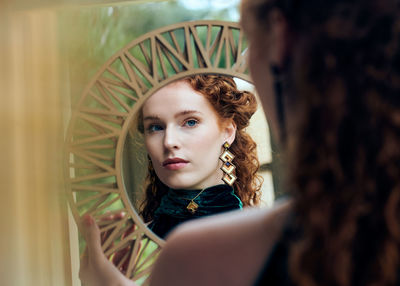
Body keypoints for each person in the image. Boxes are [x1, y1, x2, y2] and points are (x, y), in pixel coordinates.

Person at [80, 0, 400, 285]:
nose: (243, 58)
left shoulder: (203, 256)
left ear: (280, 37)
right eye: (154, 127)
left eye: (247, 38)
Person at [134, 74, 262, 238]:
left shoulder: (264, 239)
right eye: (155, 127)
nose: (169, 142)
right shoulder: (134, 247)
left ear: (227, 131)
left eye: (191, 122)